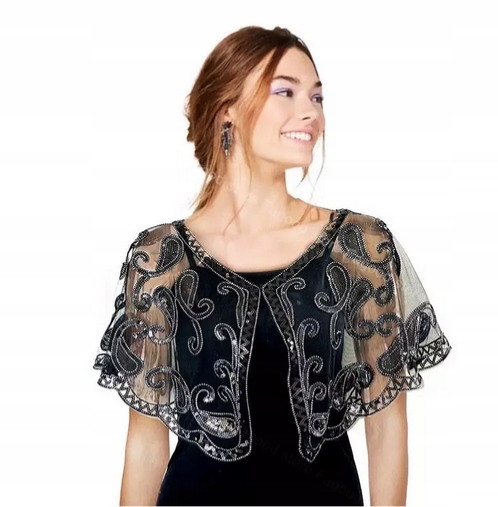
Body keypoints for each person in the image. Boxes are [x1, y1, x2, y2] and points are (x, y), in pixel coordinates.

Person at [92, 25, 452, 506]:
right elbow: (144, 442)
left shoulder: (358, 248)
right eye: (286, 91)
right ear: (228, 109)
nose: (311, 112)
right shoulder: (161, 259)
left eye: (317, 97)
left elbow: (386, 424)